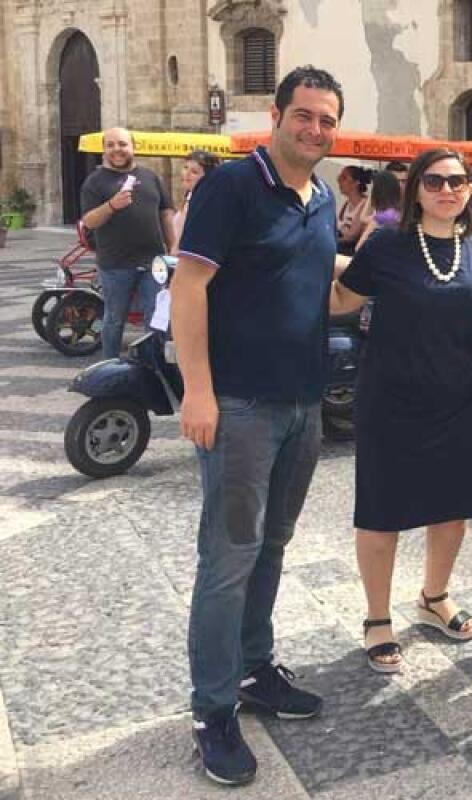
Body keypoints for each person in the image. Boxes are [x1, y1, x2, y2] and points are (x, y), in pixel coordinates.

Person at [173, 65, 344, 786]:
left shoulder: (322, 197)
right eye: (303, 115)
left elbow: (316, 286)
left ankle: (252, 668)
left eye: (326, 120)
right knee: (229, 555)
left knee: (272, 543)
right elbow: (189, 285)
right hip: (239, 405)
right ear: (276, 116)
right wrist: (199, 392)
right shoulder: (232, 187)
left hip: (303, 404)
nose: (314, 129)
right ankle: (212, 711)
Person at [329, 147, 472, 673]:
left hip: (456, 398)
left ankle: (433, 597)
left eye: (457, 181)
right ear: (415, 190)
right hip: (391, 398)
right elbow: (341, 300)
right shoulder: (388, 243)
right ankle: (377, 617)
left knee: (452, 510)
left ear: (470, 189)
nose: (447, 190)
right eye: (434, 181)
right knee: (382, 512)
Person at [79, 127, 176, 360]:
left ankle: (155, 366)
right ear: (104, 150)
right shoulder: (94, 182)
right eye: (110, 145)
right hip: (115, 264)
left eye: (122, 144)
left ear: (133, 147)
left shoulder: (150, 177)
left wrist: (173, 247)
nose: (117, 149)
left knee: (157, 318)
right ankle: (111, 365)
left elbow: (165, 213)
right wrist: (112, 205)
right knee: (114, 319)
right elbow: (89, 221)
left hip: (153, 263)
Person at [172, 149, 220, 252]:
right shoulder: (189, 198)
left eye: (194, 172)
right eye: (185, 168)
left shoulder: (206, 204)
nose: (187, 174)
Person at [354, 168, 403, 251]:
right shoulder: (397, 213)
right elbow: (363, 218)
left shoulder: (381, 217)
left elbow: (358, 247)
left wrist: (371, 194)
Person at [336, 165, 371, 254]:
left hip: (351, 249)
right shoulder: (347, 203)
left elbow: (352, 236)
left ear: (356, 183)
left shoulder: (365, 204)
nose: (339, 180)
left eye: (344, 178)